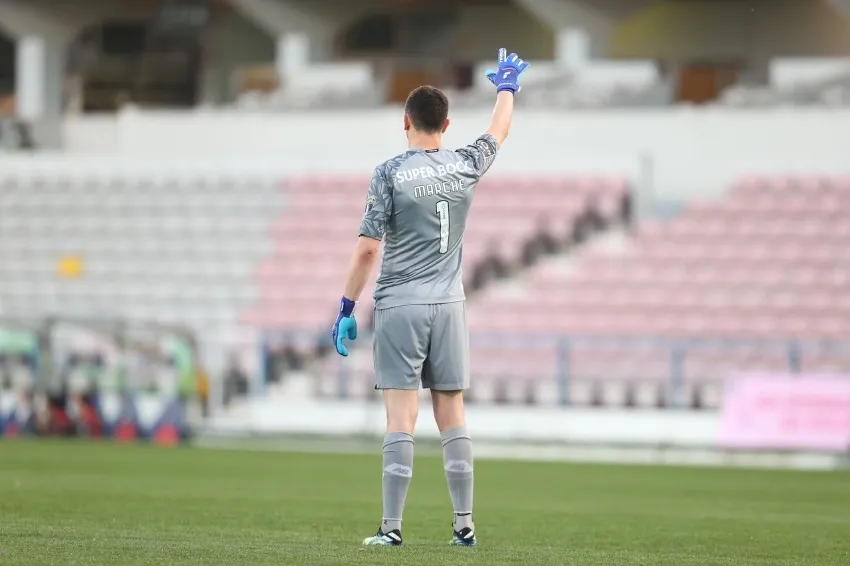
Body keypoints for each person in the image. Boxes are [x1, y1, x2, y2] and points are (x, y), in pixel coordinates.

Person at [331, 48, 529, 547]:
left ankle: (391, 529)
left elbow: (366, 252)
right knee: (452, 414)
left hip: (400, 304)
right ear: (446, 123)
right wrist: (507, 88)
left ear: (406, 122)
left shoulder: (389, 173)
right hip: (450, 306)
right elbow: (499, 132)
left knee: (402, 419)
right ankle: (464, 525)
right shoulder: (464, 164)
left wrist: (347, 308)